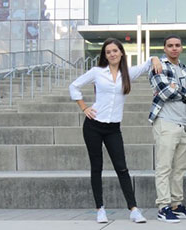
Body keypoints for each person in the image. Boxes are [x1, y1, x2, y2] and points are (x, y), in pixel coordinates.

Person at [69, 38, 162, 224]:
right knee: (97, 167)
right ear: (105, 55)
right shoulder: (97, 72)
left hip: (113, 128)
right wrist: (84, 107)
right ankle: (100, 209)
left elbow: (146, 64)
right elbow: (74, 85)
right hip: (93, 126)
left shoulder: (128, 73)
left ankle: (134, 209)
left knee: (122, 167)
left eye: (115, 51)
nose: (112, 54)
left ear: (121, 53)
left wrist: (155, 58)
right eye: (108, 52)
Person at [148, 35, 186, 223]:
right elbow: (165, 92)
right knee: (164, 167)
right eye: (170, 46)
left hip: (184, 123)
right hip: (165, 122)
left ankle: (177, 205)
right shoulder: (158, 66)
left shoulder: (185, 68)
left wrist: (176, 87)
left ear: (182, 48)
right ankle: (163, 206)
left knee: (180, 168)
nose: (174, 48)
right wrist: (182, 89)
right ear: (164, 48)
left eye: (177, 45)